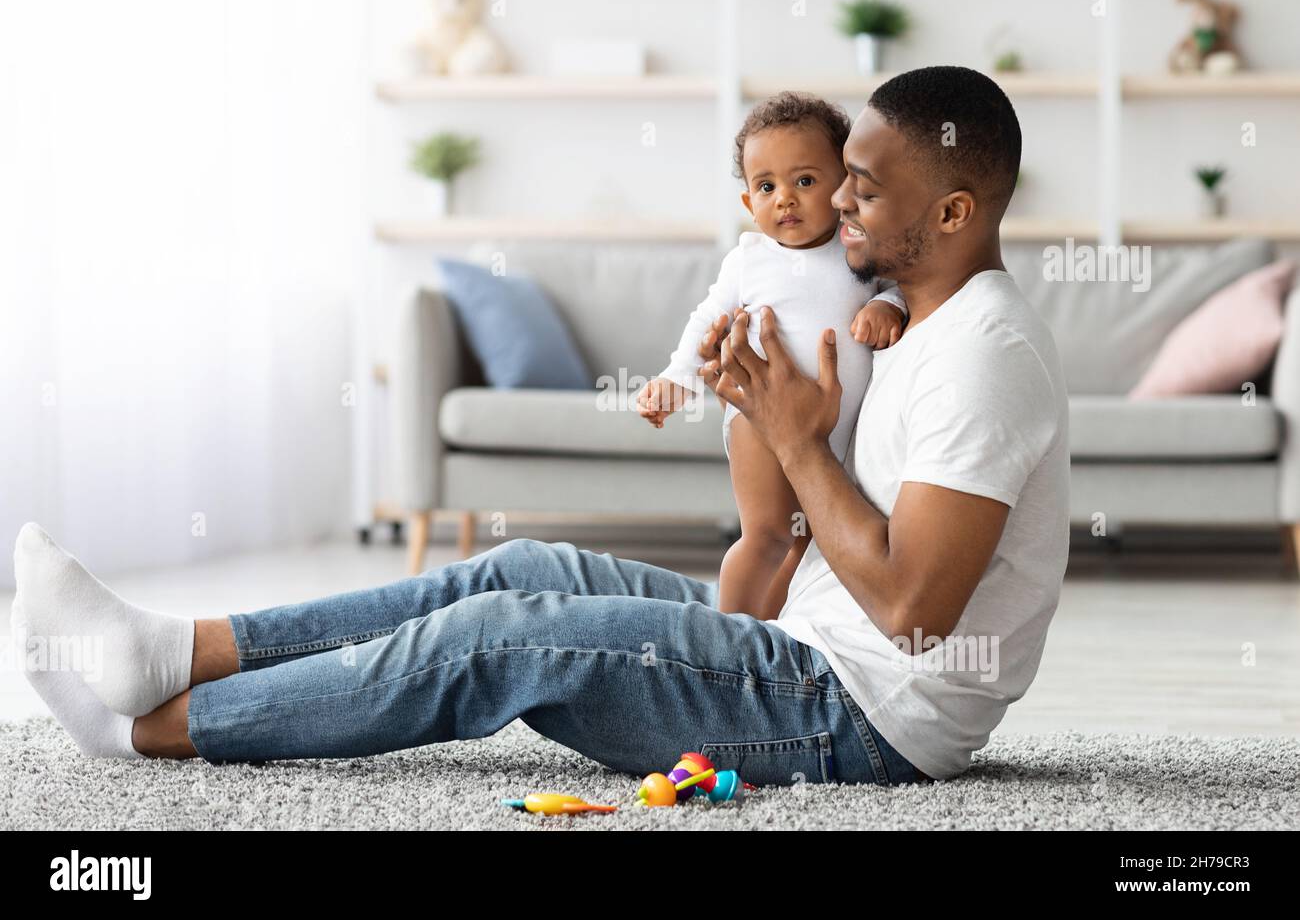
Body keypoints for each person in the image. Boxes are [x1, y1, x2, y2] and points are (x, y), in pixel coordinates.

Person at [10, 66, 1068, 785]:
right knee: (511, 566)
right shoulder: (908, 322)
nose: (835, 203)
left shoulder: (985, 355)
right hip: (799, 639)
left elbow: (920, 613)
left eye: (864, 190)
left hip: (859, 716)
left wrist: (793, 438)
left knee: (501, 638)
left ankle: (149, 729)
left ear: (953, 213)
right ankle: (169, 651)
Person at [636, 90, 907, 619]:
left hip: (836, 435)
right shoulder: (751, 258)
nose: (785, 198)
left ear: (843, 186)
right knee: (766, 536)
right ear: (748, 204)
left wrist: (888, 305)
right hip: (758, 420)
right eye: (767, 186)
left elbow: (902, 287)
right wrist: (677, 376)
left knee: (808, 546)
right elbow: (707, 321)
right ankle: (721, 639)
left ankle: (768, 634)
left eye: (805, 181)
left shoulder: (861, 248)